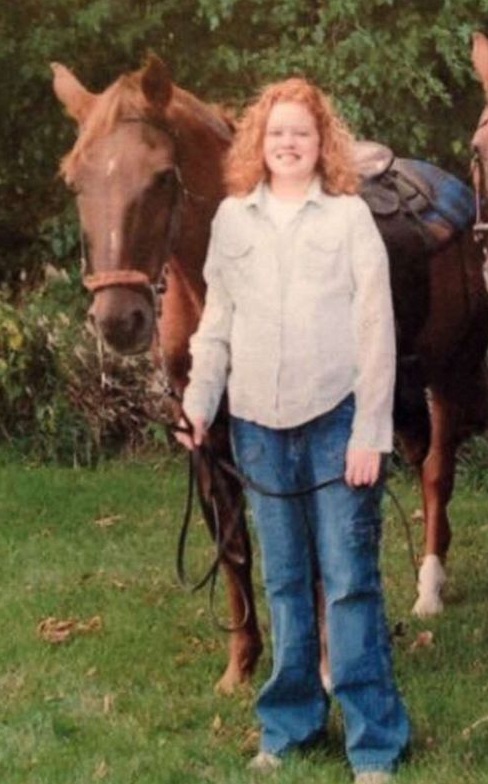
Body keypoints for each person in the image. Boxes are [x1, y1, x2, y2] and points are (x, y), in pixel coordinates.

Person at [175, 77, 409, 784]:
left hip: (338, 421)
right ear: (258, 141)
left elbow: (376, 330)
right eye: (276, 133)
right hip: (257, 427)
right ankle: (291, 723)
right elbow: (216, 322)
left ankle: (375, 742)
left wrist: (371, 430)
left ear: (321, 143)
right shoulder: (232, 221)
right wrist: (199, 400)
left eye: (301, 134)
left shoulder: (347, 220)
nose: (288, 144)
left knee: (348, 582)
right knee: (283, 580)